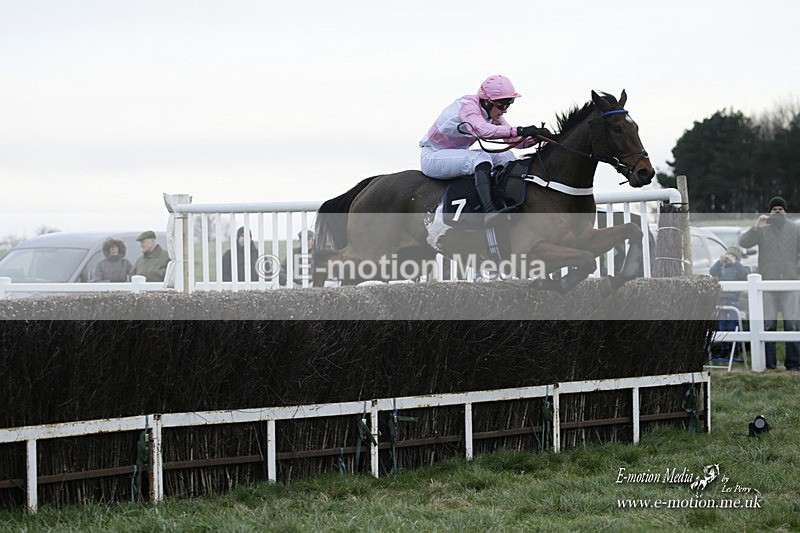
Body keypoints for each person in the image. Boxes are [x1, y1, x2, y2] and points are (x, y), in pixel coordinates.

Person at [419, 75, 553, 223]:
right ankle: (489, 210)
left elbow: (513, 140)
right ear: (488, 101)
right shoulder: (468, 106)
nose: (505, 110)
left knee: (506, 156)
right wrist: (520, 130)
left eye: (509, 104)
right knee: (481, 159)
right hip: (432, 156)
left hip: (454, 154)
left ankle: (506, 201)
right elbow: (482, 130)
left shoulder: (491, 114)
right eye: (502, 105)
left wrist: (536, 138)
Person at [739, 196, 800, 370]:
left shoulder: (795, 229)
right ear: (770, 212)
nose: (777, 211)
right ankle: (769, 364)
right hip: (767, 285)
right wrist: (755, 228)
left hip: (790, 284)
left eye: (780, 209)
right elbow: (743, 243)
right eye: (774, 209)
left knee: (792, 324)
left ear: (785, 211)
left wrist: (796, 272)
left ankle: (794, 365)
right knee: (768, 325)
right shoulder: (762, 229)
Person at [709, 245, 750, 357]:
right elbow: (712, 271)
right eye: (728, 255)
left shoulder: (739, 269)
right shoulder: (721, 268)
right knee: (722, 326)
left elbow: (746, 275)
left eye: (732, 256)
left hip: (733, 302)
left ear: (737, 258)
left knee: (733, 326)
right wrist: (719, 261)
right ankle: (724, 350)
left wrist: (735, 263)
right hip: (721, 301)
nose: (729, 258)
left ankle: (734, 350)